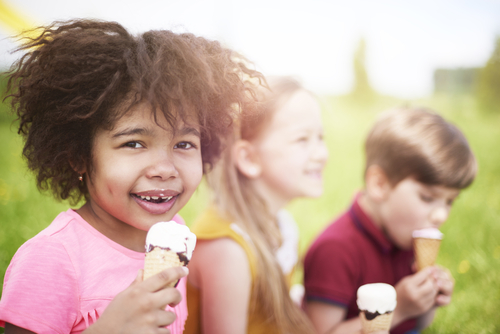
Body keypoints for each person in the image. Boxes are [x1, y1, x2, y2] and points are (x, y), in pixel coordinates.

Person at [0, 19, 262, 334]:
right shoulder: (50, 260)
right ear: (78, 156)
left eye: (184, 144)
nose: (165, 168)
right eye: (134, 143)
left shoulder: (173, 236)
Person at [303, 107, 477, 334]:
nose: (441, 215)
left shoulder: (404, 236)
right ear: (379, 184)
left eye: (450, 201)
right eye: (428, 197)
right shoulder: (335, 250)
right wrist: (400, 309)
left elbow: (416, 327)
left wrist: (426, 301)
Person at [185, 77, 329, 334]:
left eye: (320, 137)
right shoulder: (228, 250)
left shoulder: (282, 226)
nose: (321, 154)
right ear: (248, 157)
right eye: (302, 140)